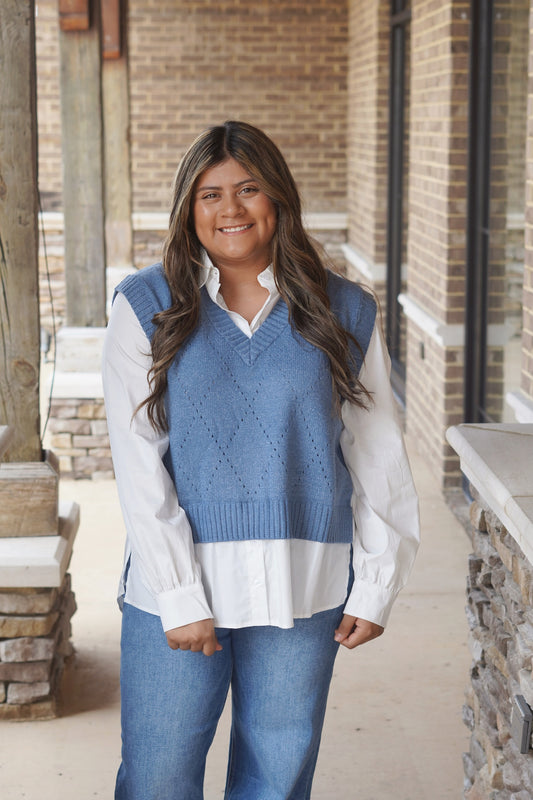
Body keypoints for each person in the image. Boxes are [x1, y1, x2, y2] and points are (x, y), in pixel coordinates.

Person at [102, 120, 420, 800]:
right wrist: (180, 596)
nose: (230, 210)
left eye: (248, 189)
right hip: (176, 587)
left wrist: (376, 582)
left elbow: (378, 453)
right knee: (157, 780)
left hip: (300, 582)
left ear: (277, 199)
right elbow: (137, 466)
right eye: (210, 194)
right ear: (189, 208)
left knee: (275, 783)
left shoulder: (343, 311)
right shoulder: (146, 307)